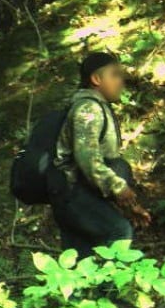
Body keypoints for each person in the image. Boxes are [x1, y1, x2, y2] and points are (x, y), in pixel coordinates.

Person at [51, 52, 151, 259]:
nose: (121, 81)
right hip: (73, 195)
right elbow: (88, 159)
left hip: (70, 196)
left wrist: (128, 204)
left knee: (80, 260)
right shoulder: (88, 109)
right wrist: (119, 187)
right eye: (114, 75)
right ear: (96, 79)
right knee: (119, 233)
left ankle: (94, 291)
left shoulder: (94, 107)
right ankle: (113, 290)